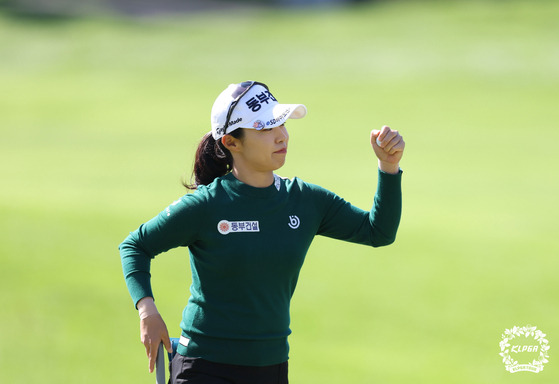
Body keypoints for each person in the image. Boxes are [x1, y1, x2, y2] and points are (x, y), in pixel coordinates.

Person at [119, 80, 405, 384]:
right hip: (204, 368)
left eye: (280, 124)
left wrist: (388, 167)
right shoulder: (205, 206)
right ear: (231, 143)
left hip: (271, 369)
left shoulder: (305, 200)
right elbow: (135, 245)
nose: (282, 136)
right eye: (266, 129)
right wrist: (146, 309)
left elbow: (378, 232)